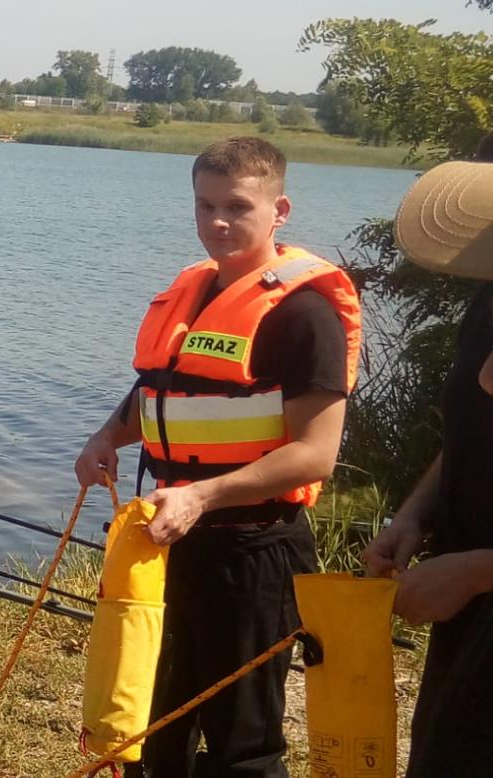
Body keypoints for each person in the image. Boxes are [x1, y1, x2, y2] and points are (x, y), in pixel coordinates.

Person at [73, 137, 361, 777]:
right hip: (169, 540)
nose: (219, 223)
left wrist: (202, 495)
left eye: (237, 207)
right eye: (205, 207)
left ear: (278, 209)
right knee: (154, 721)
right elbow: (161, 387)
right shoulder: (194, 290)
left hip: (253, 550)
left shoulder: (306, 313)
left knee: (243, 740)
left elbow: (315, 456)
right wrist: (103, 439)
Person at [363, 142, 493, 775]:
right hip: (468, 614)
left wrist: (474, 572)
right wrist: (415, 514)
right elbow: (474, 433)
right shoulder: (488, 300)